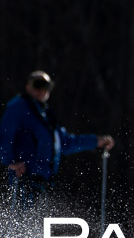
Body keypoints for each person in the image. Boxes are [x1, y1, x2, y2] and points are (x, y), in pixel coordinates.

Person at [0, 70, 115, 207]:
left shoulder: (45, 116)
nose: (42, 90)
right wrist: (11, 161)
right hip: (24, 177)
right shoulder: (18, 107)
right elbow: (4, 135)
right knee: (22, 216)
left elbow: (64, 143)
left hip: (43, 179)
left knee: (37, 222)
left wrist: (95, 141)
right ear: (28, 86)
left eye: (47, 86)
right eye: (38, 84)